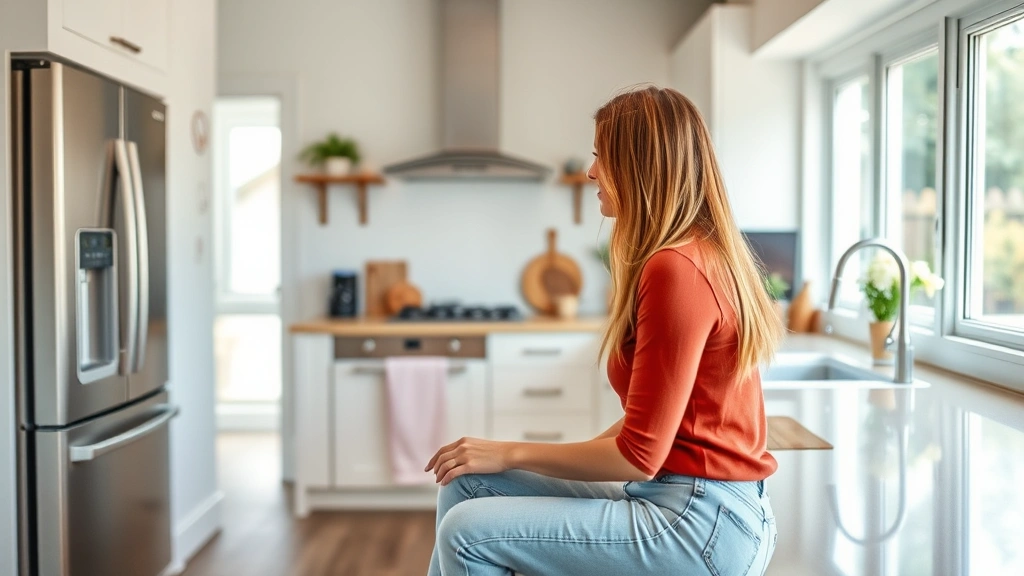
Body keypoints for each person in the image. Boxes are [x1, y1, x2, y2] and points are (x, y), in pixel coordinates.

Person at [425, 85, 782, 576]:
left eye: (601, 156)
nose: (591, 172)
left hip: (701, 524)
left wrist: (508, 452)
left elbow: (638, 456)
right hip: (690, 502)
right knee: (466, 485)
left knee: (466, 533)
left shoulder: (676, 269)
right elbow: (651, 427)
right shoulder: (693, 254)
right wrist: (532, 465)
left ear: (639, 164)